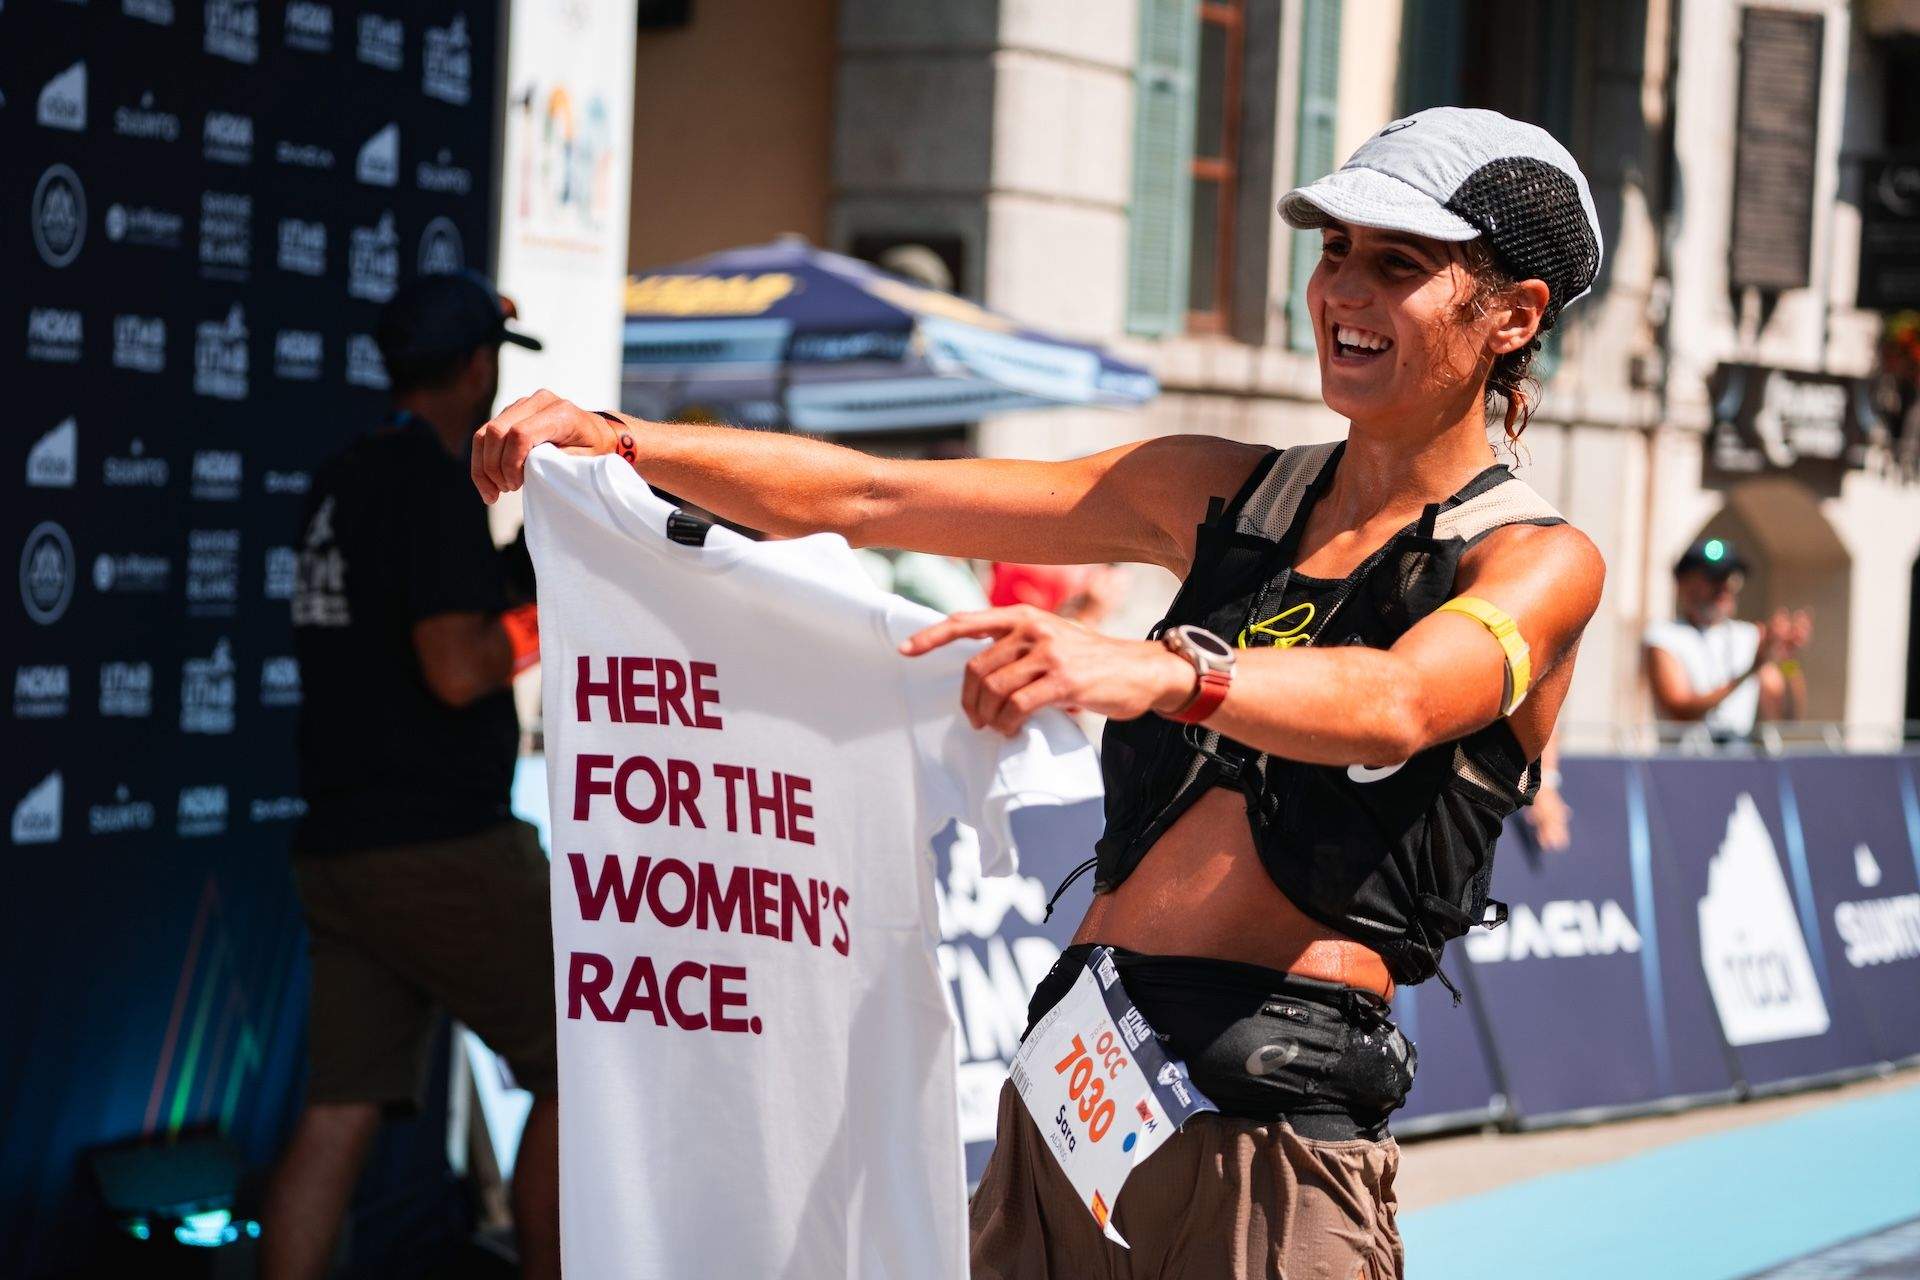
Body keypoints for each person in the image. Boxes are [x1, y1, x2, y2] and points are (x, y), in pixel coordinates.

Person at [471, 106, 1606, 1279]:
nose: (1343, 292)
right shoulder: (1218, 492)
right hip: (1072, 1099)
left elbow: (1401, 699)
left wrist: (1163, 669)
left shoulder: (1535, 560)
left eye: (1399, 265)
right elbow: (872, 495)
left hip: (1270, 1128)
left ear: (1512, 316)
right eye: (1334, 253)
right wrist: (624, 439)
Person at [264, 271, 559, 1280]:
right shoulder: (431, 479)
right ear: (479, 367)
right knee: (584, 1062)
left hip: (342, 848)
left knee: (339, 1107)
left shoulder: (345, 475)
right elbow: (455, 665)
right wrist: (552, 595)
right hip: (442, 846)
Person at [1644, 537, 1812, 745]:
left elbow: (1785, 718)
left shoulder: (1749, 636)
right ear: (1684, 582)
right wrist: (1750, 671)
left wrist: (1787, 661)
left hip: (1738, 764)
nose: (1724, 587)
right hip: (1685, 767)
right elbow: (1680, 710)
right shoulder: (1663, 636)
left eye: (1731, 578)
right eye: (1713, 578)